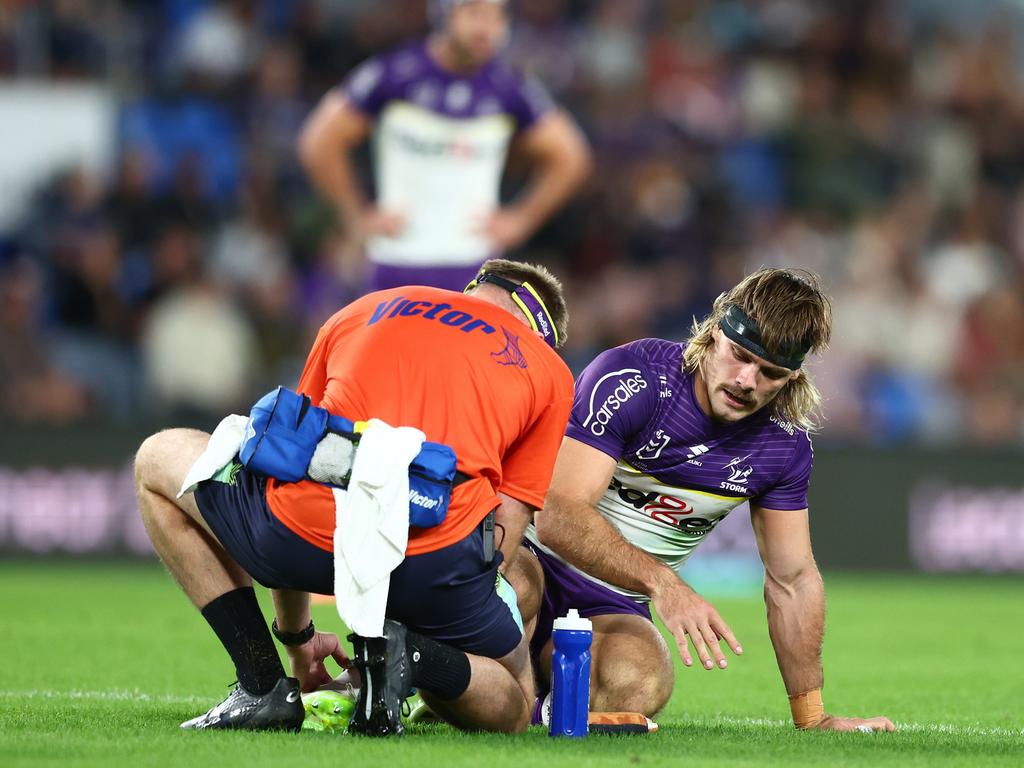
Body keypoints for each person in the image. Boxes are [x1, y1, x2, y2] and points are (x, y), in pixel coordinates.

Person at [134, 258, 574, 734]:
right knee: (513, 699)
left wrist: (299, 638)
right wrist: (442, 615)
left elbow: (291, 457)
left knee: (157, 460)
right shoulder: (547, 368)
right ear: (538, 330)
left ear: (475, 290)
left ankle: (261, 684)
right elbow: (508, 523)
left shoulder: (364, 308)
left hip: (304, 532)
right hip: (435, 555)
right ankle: (413, 658)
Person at [509, 267, 896, 732]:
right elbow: (556, 512)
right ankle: (473, 683)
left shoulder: (783, 448)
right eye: (739, 355)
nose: (747, 381)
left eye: (770, 372)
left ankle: (518, 707)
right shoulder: (635, 378)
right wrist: (666, 587)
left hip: (612, 601)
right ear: (713, 335)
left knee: (642, 681)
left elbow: (791, 579)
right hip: (527, 554)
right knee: (518, 588)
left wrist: (812, 719)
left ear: (792, 377)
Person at [297, 0, 591, 293]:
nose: (487, 28)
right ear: (443, 13)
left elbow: (571, 156)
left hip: (473, 265)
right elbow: (319, 142)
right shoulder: (395, 74)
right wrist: (355, 215)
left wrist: (522, 220)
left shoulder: (509, 87)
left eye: (497, 16)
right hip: (396, 260)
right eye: (475, 13)